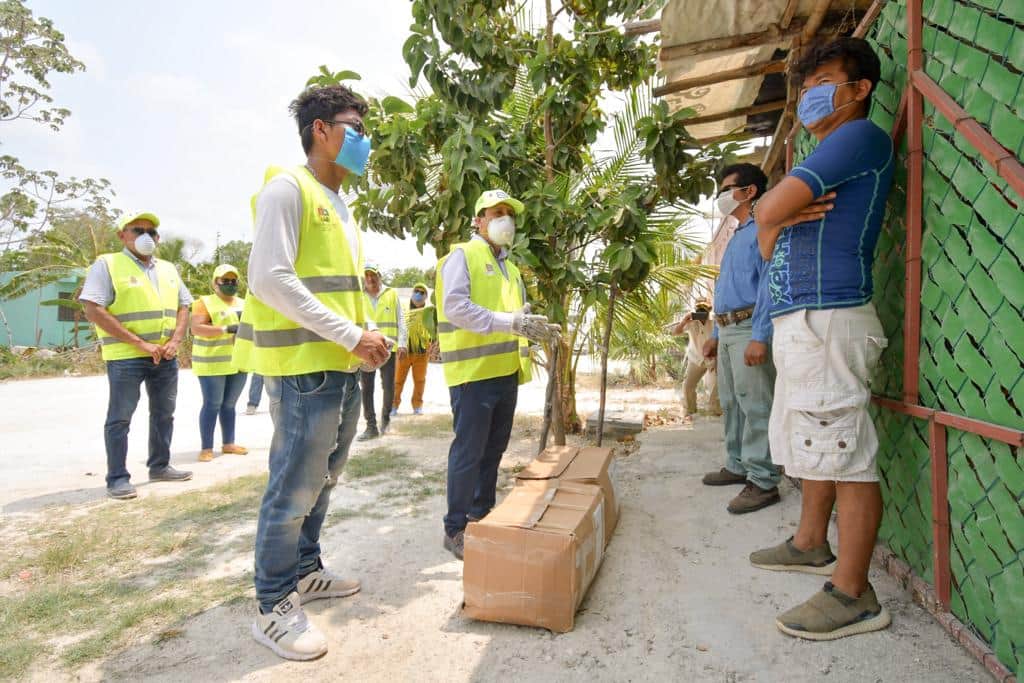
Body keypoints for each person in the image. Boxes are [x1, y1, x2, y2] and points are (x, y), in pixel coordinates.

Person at [232, 84, 390, 660]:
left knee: (323, 480)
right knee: (292, 488)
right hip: (304, 370)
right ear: (320, 130)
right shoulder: (287, 189)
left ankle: (305, 569)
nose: (364, 140)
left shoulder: (340, 206)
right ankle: (273, 605)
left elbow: (336, 290)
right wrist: (352, 335)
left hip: (339, 366)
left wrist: (367, 332)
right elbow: (269, 278)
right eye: (354, 127)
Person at [750, 37, 895, 641]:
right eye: (805, 86)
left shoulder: (857, 138)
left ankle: (854, 594)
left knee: (845, 453)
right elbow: (766, 240)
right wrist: (773, 217)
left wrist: (774, 213)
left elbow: (765, 214)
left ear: (860, 89)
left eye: (823, 83)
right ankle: (811, 542)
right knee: (816, 439)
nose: (810, 95)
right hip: (805, 318)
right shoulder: (825, 150)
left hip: (830, 315)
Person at [436, 189, 558, 560]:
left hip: (505, 373)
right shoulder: (463, 255)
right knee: (468, 452)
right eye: (496, 213)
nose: (505, 219)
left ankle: (481, 513)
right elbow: (456, 307)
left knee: (493, 450)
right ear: (478, 220)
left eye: (509, 213)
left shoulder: (511, 268)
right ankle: (455, 528)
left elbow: (513, 317)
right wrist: (511, 321)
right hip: (473, 375)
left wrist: (533, 326)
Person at [80, 211, 194, 500]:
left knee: (164, 414)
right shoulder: (107, 264)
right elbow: (93, 309)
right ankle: (117, 478)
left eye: (151, 231)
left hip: (165, 356)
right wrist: (140, 344)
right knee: (120, 418)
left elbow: (184, 305)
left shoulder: (168, 269)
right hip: (126, 357)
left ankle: (160, 466)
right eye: (138, 230)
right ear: (122, 235)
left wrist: (176, 340)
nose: (146, 236)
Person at [700, 164, 781, 514]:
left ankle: (763, 480)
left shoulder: (764, 228)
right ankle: (737, 465)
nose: (720, 196)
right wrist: (716, 334)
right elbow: (725, 291)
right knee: (732, 401)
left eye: (726, 189)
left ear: (749, 191)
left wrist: (760, 336)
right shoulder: (736, 235)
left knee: (756, 403)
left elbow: (768, 285)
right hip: (729, 329)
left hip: (750, 327)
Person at [190, 264, 249, 461]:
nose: (230, 284)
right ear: (215, 282)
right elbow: (196, 328)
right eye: (225, 280)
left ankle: (229, 443)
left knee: (230, 404)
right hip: (211, 363)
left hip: (238, 362)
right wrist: (226, 329)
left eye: (233, 280)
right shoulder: (204, 303)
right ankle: (206, 448)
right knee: (212, 404)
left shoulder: (244, 303)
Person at [357, 264, 406, 440]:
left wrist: (403, 343)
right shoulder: (359, 295)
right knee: (366, 388)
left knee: (388, 386)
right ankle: (371, 426)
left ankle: (385, 420)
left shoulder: (391, 294)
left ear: (380, 276)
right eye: (367, 275)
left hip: (389, 349)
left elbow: (401, 319)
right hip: (366, 349)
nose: (370, 278)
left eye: (373, 274)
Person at [671, 297, 720, 421]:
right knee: (688, 386)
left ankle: (715, 411)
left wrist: (717, 359)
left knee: (716, 387)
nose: (701, 312)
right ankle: (690, 411)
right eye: (699, 309)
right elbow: (675, 332)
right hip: (696, 358)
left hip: (713, 359)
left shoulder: (715, 321)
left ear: (709, 309)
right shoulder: (690, 321)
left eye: (704, 309)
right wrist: (683, 321)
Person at [392, 281, 433, 416]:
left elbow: (433, 330)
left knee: (420, 381)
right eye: (416, 291)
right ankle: (393, 406)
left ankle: (417, 406)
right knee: (397, 381)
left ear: (426, 296)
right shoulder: (403, 308)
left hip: (422, 353)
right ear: (412, 293)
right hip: (403, 352)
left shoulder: (429, 312)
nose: (418, 294)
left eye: (422, 292)